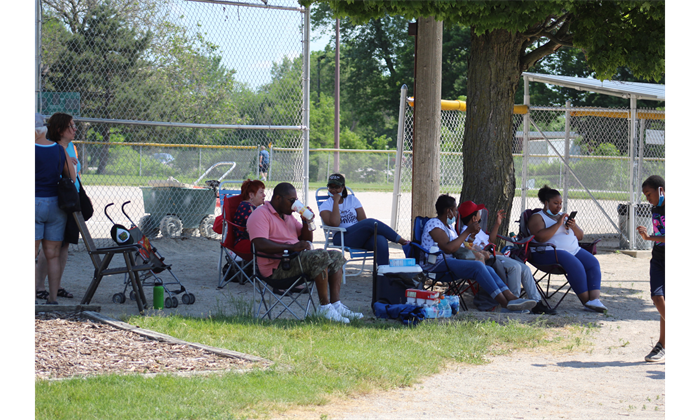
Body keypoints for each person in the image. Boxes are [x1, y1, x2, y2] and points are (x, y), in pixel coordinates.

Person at [247, 182, 363, 323]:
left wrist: (306, 222)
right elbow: (260, 244)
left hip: (294, 261)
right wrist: (291, 248)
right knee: (320, 256)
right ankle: (324, 308)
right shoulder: (260, 214)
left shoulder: (288, 215)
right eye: (292, 200)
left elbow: (307, 240)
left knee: (336, 255)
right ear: (278, 198)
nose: (294, 204)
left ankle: (335, 305)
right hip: (277, 268)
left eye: (295, 200)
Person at [421, 195, 537, 313]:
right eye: (455, 210)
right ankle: (506, 304)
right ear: (448, 211)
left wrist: (471, 236)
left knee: (488, 269)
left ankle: (512, 298)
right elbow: (448, 248)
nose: (456, 213)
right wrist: (467, 231)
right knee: (479, 266)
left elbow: (461, 246)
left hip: (451, 261)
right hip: (436, 262)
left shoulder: (449, 227)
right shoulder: (434, 223)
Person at [458, 201, 555, 315]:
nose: (481, 213)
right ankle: (513, 304)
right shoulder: (467, 231)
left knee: (525, 269)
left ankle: (537, 302)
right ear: (474, 218)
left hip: (495, 255)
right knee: (515, 267)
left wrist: (497, 224)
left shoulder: (477, 228)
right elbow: (470, 248)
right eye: (478, 211)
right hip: (488, 259)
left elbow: (490, 240)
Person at [527, 185, 606, 312]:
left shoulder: (562, 216)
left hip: (573, 250)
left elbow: (580, 236)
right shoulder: (537, 217)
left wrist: (573, 226)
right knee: (576, 264)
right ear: (546, 203)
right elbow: (541, 238)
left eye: (560, 203)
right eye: (555, 203)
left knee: (592, 263)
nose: (559, 206)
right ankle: (587, 302)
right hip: (547, 252)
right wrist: (558, 223)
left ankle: (595, 300)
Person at [35, 113, 80, 301]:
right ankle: (53, 298)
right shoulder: (60, 150)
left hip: (35, 202)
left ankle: (35, 298)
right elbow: (71, 177)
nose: (74, 128)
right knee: (53, 255)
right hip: (55, 204)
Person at [319, 173, 409, 266]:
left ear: (343, 187)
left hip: (358, 237)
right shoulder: (325, 205)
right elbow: (335, 223)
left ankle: (383, 274)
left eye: (336, 187)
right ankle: (402, 241)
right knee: (370, 222)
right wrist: (336, 202)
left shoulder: (352, 200)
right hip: (341, 237)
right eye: (330, 187)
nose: (333, 190)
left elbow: (362, 221)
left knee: (381, 240)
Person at [636, 175, 666, 362]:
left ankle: (661, 345)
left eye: (649, 194)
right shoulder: (656, 207)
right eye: (645, 195)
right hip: (658, 260)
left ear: (660, 190)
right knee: (657, 297)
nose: (647, 199)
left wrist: (649, 238)